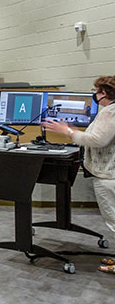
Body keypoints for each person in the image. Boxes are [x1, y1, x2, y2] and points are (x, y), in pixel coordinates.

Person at [43, 76, 115, 274]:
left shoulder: (110, 111)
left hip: (108, 175)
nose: (95, 94)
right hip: (110, 173)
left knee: (113, 218)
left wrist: (67, 131)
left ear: (104, 93)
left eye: (96, 91)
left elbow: (97, 140)